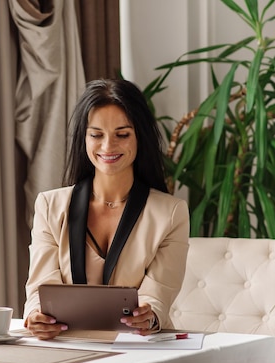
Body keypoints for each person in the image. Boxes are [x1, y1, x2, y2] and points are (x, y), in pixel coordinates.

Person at [23, 78, 190, 340]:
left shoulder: (171, 213)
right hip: (66, 345)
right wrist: (36, 317)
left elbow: (158, 294)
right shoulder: (49, 206)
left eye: (122, 134)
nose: (107, 146)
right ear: (84, 138)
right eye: (96, 135)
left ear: (140, 137)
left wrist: (150, 314)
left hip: (139, 346)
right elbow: (40, 289)